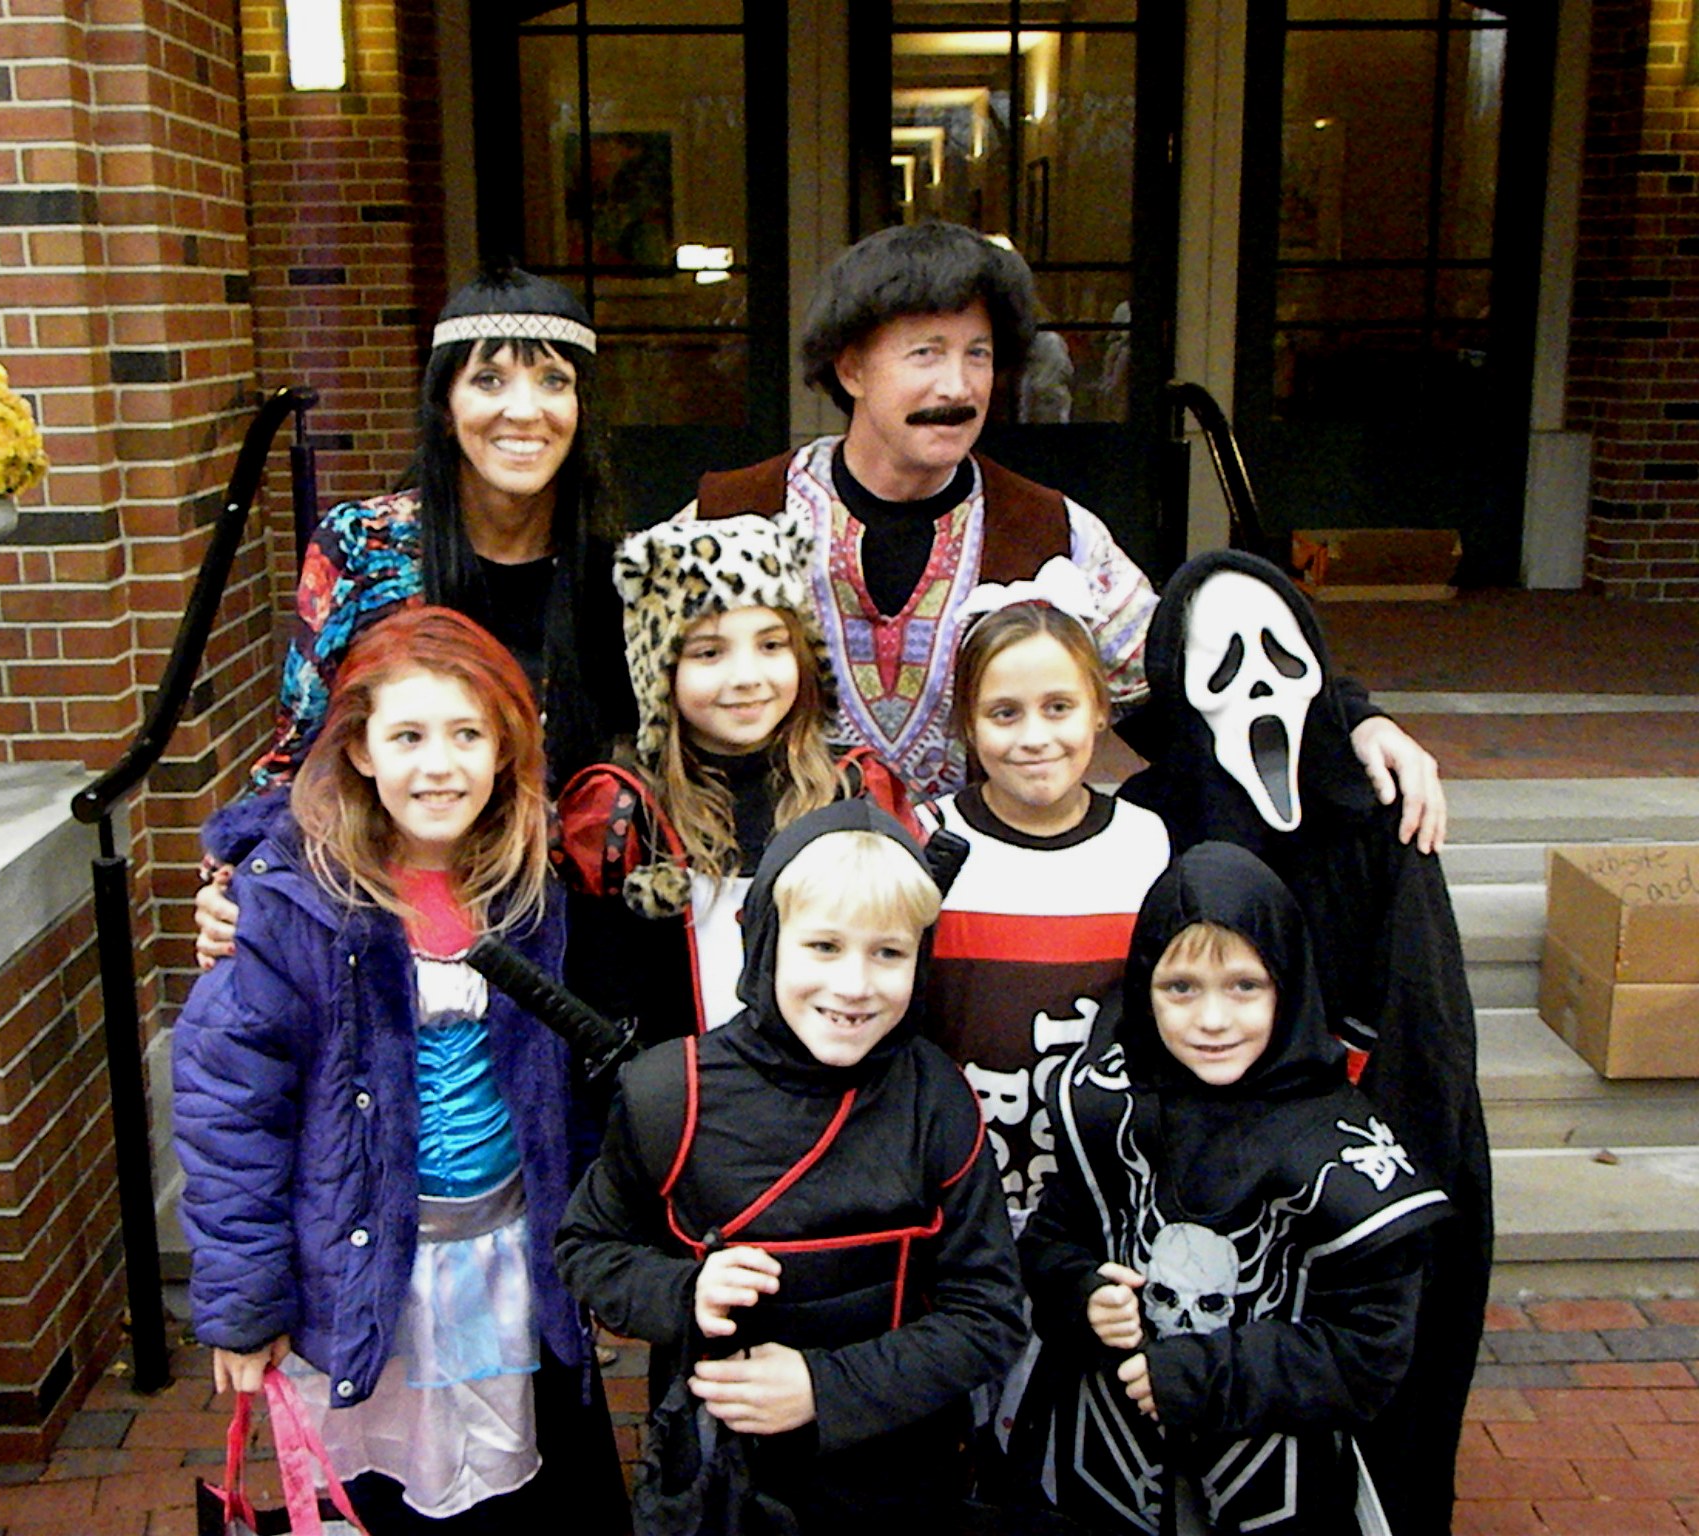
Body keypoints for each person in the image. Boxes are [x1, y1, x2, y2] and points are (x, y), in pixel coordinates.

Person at [681, 219, 1444, 843]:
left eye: (977, 355)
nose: (957, 386)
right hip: (780, 900)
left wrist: (1351, 726)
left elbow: (1181, 689)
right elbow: (636, 686)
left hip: (986, 896)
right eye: (925, 354)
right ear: (851, 370)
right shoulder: (736, 514)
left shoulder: (1051, 531)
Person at [173, 607, 627, 1533]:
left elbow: (571, 1085)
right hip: (366, 1267)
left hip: (504, 1262)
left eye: (467, 736)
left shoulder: (533, 889)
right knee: (386, 1491)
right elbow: (229, 1112)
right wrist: (245, 1302)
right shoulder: (291, 902)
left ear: (504, 750)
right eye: (408, 736)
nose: (439, 765)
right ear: (360, 749)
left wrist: (597, 1239)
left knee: (511, 1486)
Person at [1114, 549, 1492, 1535]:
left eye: (1282, 660)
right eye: (1224, 667)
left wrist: (1360, 716)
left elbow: (1426, 1037)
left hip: (1351, 1179)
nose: (1258, 691)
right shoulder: (1148, 826)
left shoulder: (1374, 818)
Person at [554, 800, 1026, 1531]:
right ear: (768, 943)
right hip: (720, 1487)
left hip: (901, 1482)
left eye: (888, 953)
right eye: (823, 947)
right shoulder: (670, 1093)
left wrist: (824, 1388)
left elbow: (988, 1314)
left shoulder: (936, 1097)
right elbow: (587, 1248)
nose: (854, 985)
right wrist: (685, 1290)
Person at [196, 265, 632, 965]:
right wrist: (235, 880)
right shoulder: (364, 548)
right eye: (489, 380)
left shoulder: (620, 573)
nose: (524, 410)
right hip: (385, 926)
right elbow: (300, 749)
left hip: (558, 930)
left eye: (553, 380)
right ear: (445, 404)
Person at [1014, 842, 1451, 1535]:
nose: (1212, 1019)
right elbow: (1051, 1241)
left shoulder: (1339, 1152)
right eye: (1180, 988)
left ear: (1288, 985)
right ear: (1143, 988)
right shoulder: (1110, 1107)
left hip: (1280, 1481)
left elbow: (1370, 1349)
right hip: (1102, 1465)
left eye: (1244, 986)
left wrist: (1201, 1375)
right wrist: (1082, 1293)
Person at [554, 512, 912, 1045]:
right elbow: (601, 1001)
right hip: (675, 1087)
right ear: (659, 672)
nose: (746, 677)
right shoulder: (620, 812)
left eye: (772, 645)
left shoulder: (854, 788)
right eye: (709, 652)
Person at [921, 559, 1171, 1226]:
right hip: (958, 1191)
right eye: (1004, 713)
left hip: (1102, 1193)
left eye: (1058, 708)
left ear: (1099, 710)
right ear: (967, 723)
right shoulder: (928, 840)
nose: (1034, 738)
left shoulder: (1146, 843)